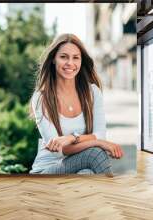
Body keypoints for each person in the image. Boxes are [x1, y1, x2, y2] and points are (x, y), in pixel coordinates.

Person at [29, 33, 124, 175]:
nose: (70, 63)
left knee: (86, 173)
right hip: (48, 169)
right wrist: (97, 142)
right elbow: (59, 150)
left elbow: (100, 134)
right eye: (63, 57)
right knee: (95, 154)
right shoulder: (41, 98)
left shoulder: (92, 92)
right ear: (54, 59)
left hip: (82, 164)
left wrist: (71, 138)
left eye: (75, 58)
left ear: (81, 61)